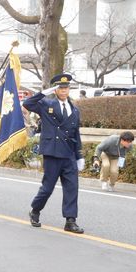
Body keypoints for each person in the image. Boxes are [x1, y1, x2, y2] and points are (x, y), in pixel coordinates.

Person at [23, 73, 85, 234]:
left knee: (72, 187)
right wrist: (44, 92)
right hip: (52, 153)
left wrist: (79, 155)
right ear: (55, 90)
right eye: (60, 88)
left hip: (68, 154)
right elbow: (28, 103)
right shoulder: (46, 104)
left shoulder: (74, 109)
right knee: (48, 188)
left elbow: (75, 133)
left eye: (66, 88)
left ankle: (70, 220)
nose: (64, 91)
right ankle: (35, 210)